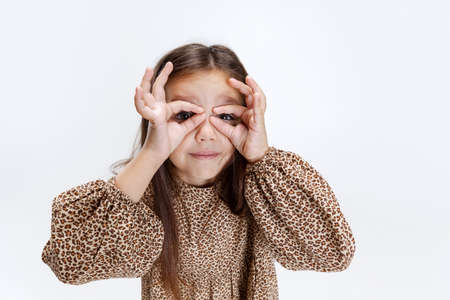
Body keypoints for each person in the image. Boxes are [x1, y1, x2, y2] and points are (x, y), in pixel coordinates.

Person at [41, 42, 356, 300]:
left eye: (226, 117)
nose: (206, 133)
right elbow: (71, 264)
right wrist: (152, 153)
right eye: (184, 115)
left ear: (248, 119)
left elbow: (333, 252)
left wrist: (261, 156)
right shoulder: (142, 197)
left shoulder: (261, 191)